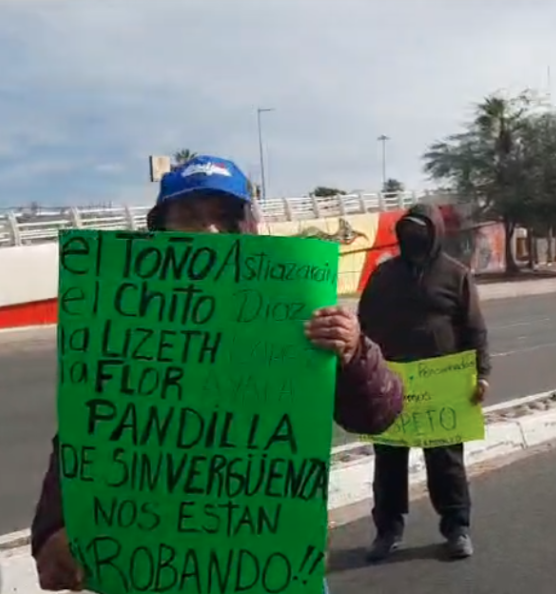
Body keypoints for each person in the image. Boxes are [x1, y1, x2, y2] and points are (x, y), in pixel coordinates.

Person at [30, 155, 404, 593]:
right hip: (153, 562)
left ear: (246, 228)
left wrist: (354, 352)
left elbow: (378, 416)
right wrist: (52, 529)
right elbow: (86, 432)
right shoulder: (123, 317)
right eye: (190, 216)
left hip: (269, 565)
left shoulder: (299, 310)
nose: (209, 231)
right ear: (160, 229)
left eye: (224, 218)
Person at [357, 203, 491, 562]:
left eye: (421, 229)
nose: (413, 235)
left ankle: (456, 528)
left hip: (442, 388)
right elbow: (362, 324)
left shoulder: (456, 275)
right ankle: (387, 532)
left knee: (446, 462)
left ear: (435, 233)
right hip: (390, 386)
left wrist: (482, 374)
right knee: (388, 463)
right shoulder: (383, 276)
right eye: (407, 229)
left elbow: (474, 329)